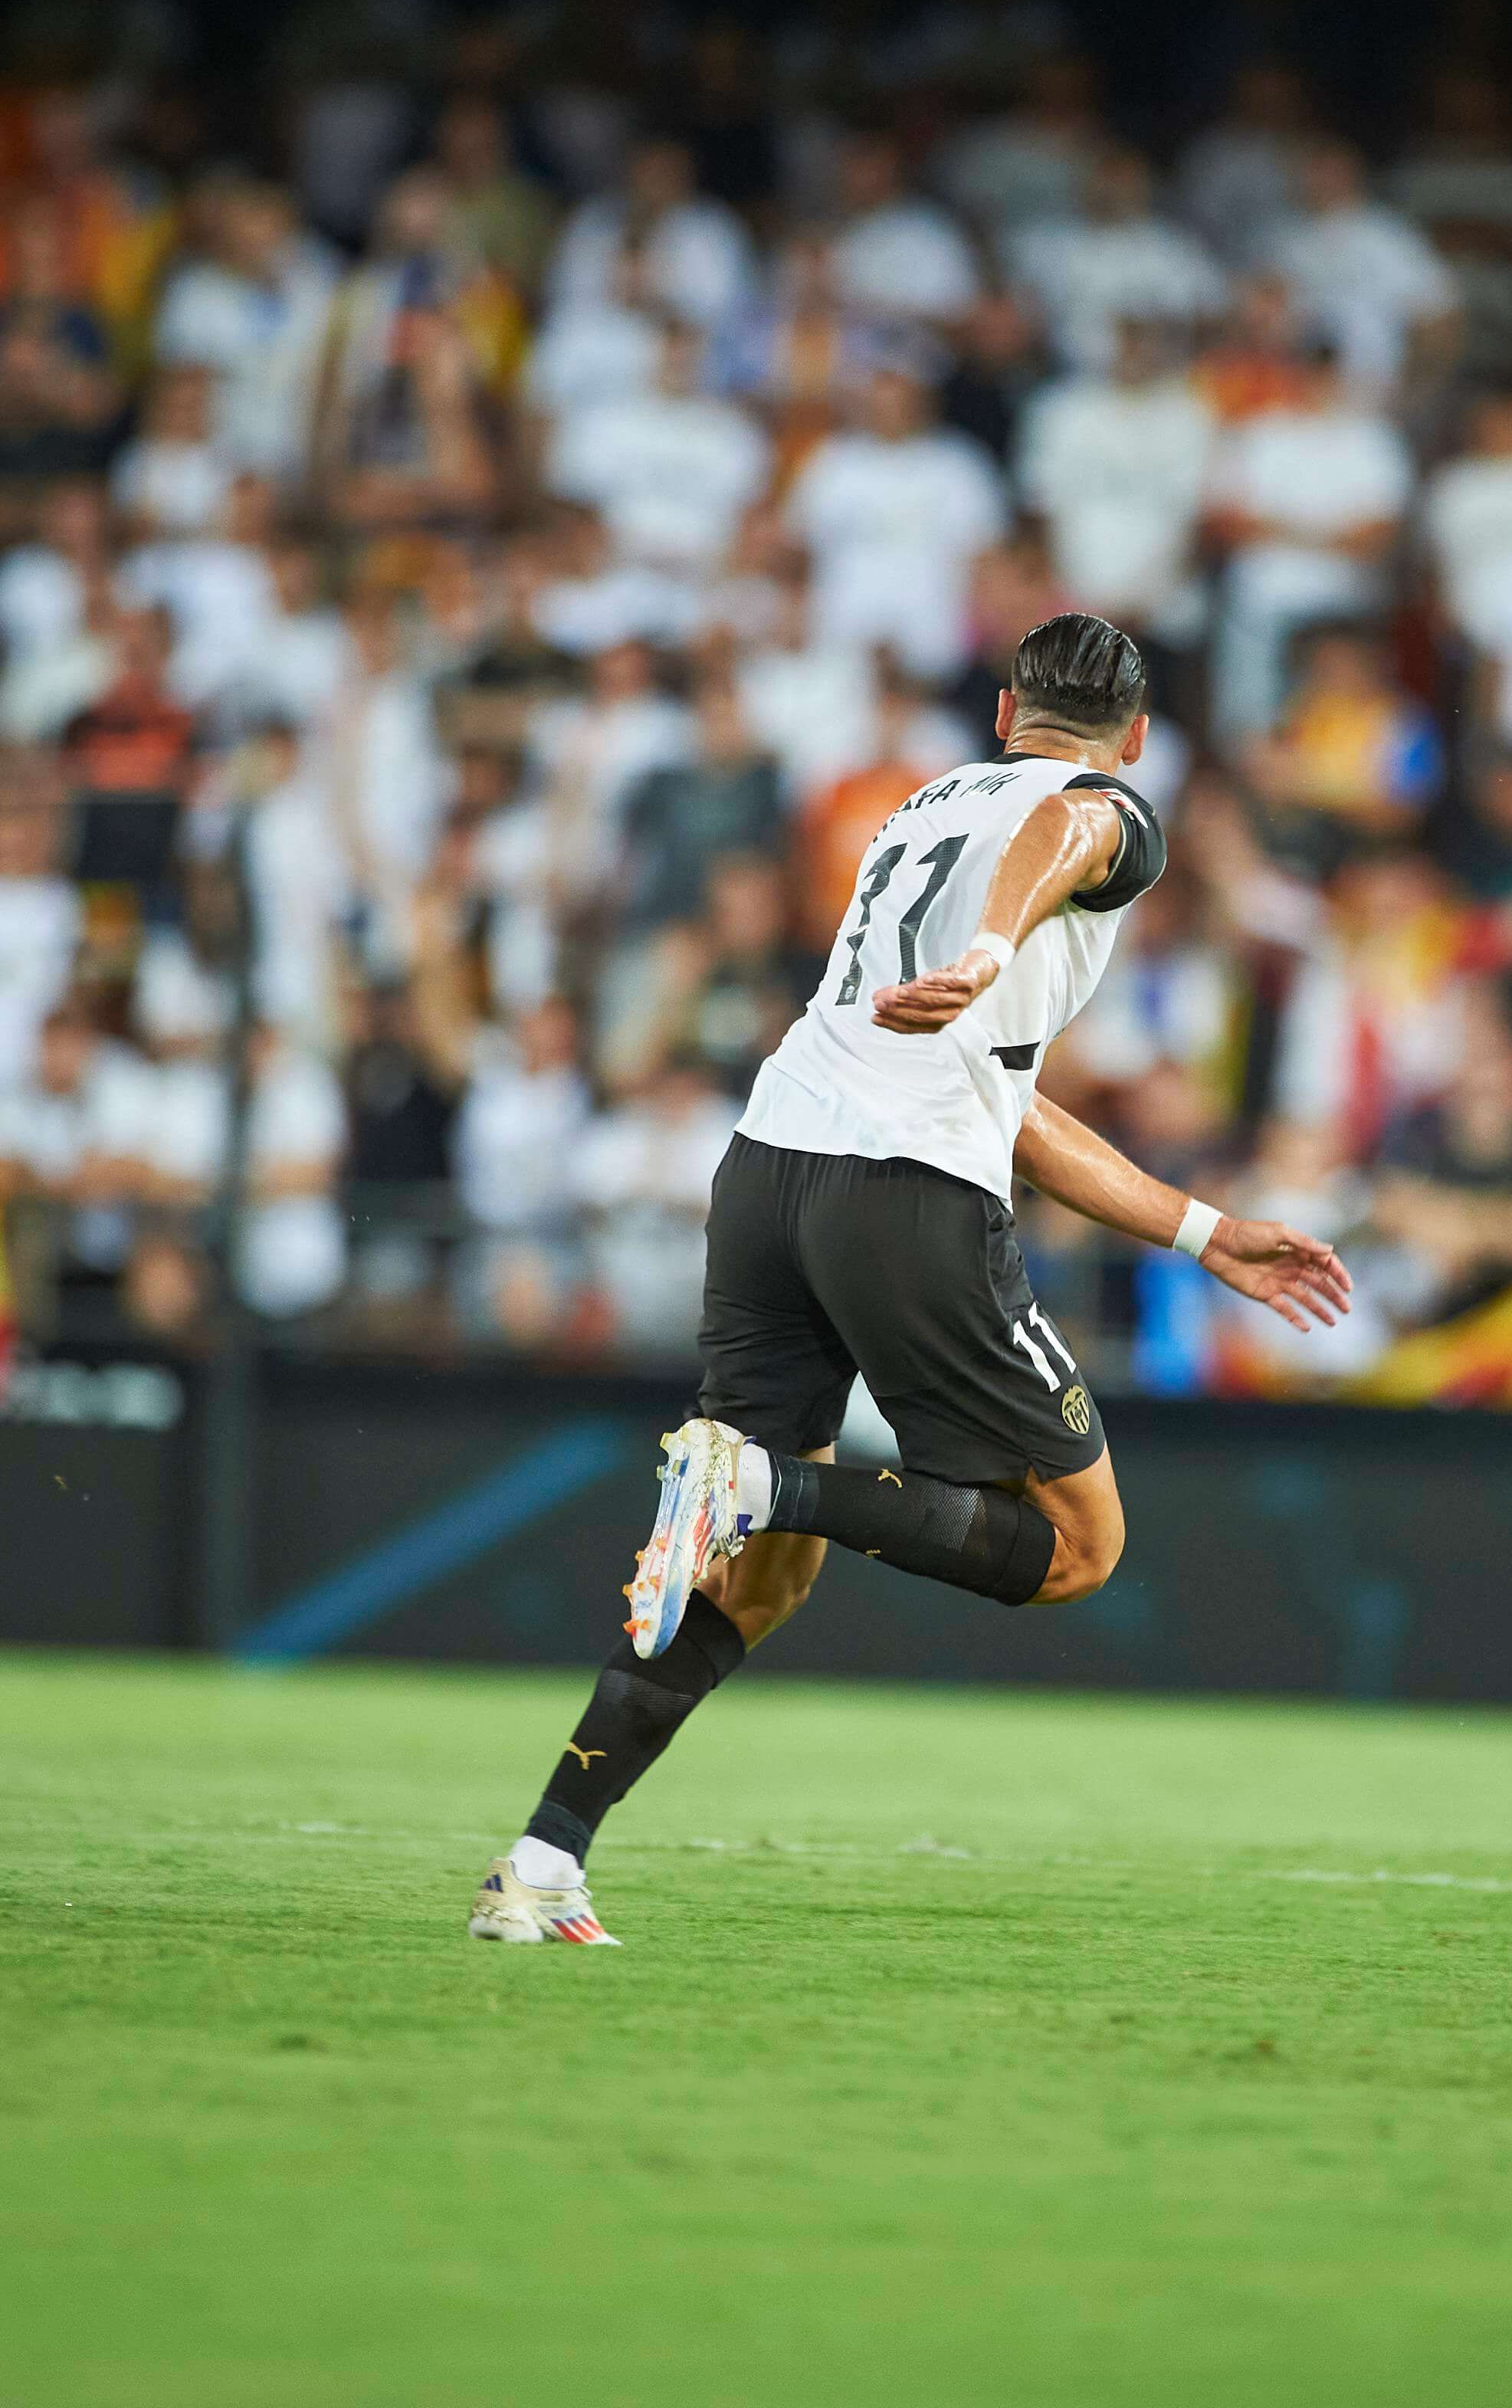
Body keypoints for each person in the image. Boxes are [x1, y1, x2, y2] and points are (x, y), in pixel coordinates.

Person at [470, 616, 1353, 1947]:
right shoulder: (1107, 810)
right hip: (904, 1195)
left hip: (769, 1173)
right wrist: (1000, 947)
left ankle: (543, 1862)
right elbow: (1075, 836)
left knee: (756, 1581)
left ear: (1004, 713)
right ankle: (765, 1484)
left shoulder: (917, 809)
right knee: (1076, 1548)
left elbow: (1009, 1094)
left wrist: (1196, 1228)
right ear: (1138, 740)